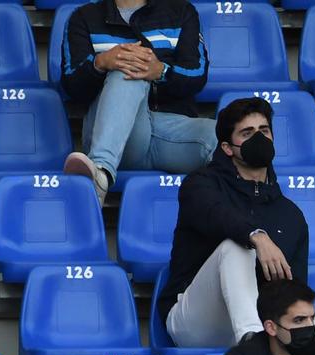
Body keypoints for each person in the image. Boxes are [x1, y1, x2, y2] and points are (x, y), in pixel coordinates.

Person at [161, 97, 315, 354]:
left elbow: (292, 288)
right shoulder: (201, 185)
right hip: (197, 320)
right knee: (238, 246)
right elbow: (217, 214)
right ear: (228, 148)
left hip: (262, 319)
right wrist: (258, 237)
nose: (259, 138)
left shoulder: (290, 215)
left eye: (264, 131)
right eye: (247, 133)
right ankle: (255, 348)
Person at [58, 0, 216, 203]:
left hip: (170, 134)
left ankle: (245, 225)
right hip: (116, 140)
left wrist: (161, 71)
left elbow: (197, 75)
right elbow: (72, 85)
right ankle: (101, 172)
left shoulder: (181, 11)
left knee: (225, 136)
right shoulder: (83, 17)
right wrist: (101, 63)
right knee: (127, 69)